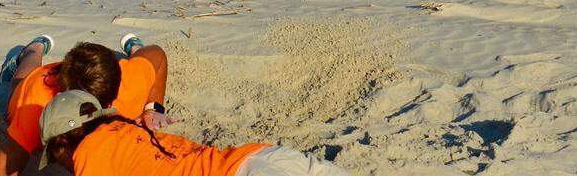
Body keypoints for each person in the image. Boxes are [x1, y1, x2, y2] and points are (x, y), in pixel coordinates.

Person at [36, 45, 350, 176]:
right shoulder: (126, 126)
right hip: (256, 157)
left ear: (65, 140)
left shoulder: (90, 153)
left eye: (55, 155)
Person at [0, 34, 171, 176]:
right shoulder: (35, 106)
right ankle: (33, 50)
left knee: (141, 61)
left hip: (73, 74)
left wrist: (152, 108)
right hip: (39, 81)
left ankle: (135, 49)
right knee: (17, 85)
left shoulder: (128, 84)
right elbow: (3, 170)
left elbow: (157, 55)